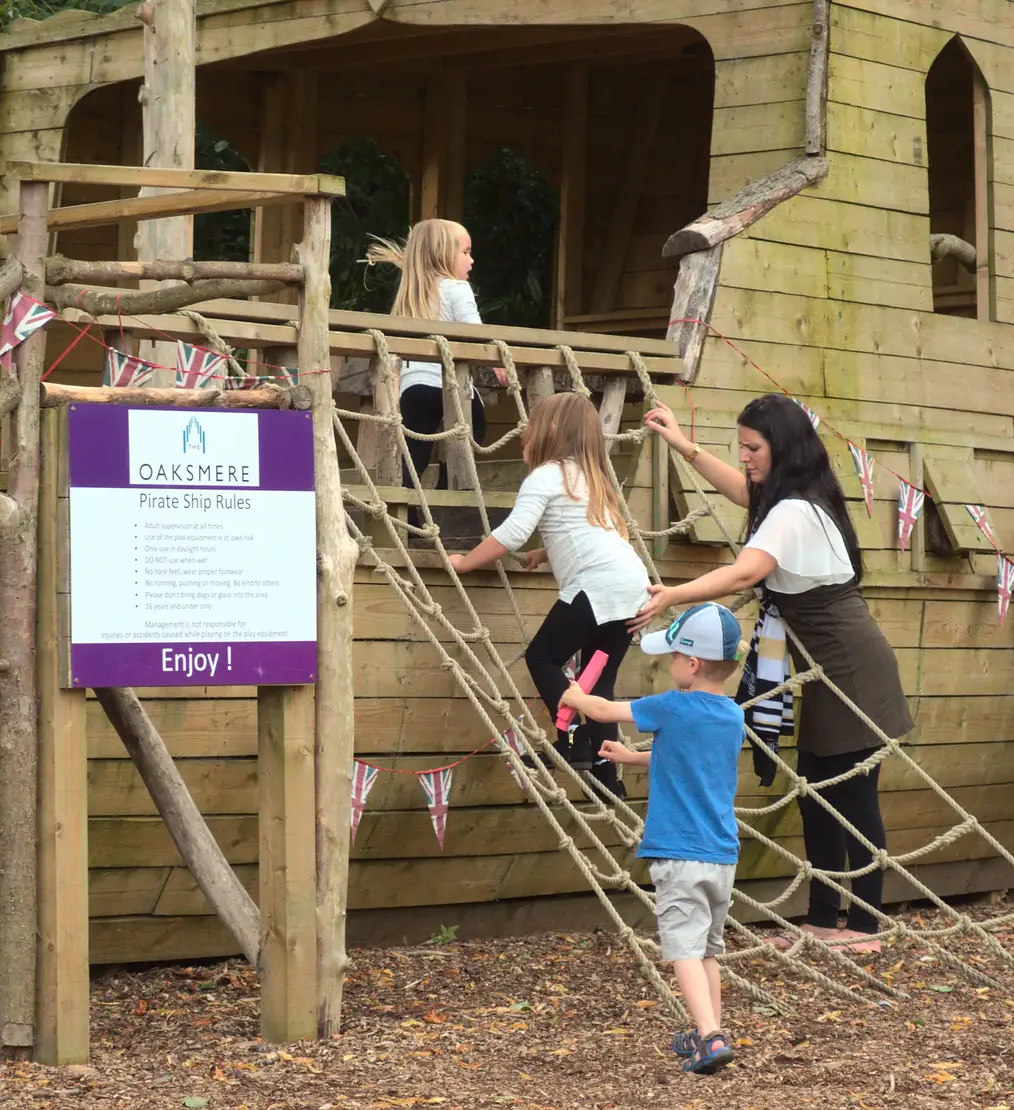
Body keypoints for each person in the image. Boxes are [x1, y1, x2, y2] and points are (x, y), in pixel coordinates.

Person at [635, 392, 913, 952]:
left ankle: (863, 928)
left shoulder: (794, 512)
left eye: (753, 447)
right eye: (740, 447)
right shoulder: (791, 501)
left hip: (852, 669)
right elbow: (741, 491)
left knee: (852, 796)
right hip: (825, 670)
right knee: (815, 791)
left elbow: (745, 574)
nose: (744, 458)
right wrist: (684, 445)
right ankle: (820, 918)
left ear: (781, 448)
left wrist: (674, 595)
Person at [560, 601, 747, 1075]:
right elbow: (689, 759)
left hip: (680, 853)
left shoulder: (673, 705)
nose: (668, 666)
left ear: (692, 662)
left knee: (682, 947)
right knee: (706, 949)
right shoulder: (730, 715)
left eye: (672, 658)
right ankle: (711, 1028)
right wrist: (632, 758)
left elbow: (603, 707)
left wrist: (573, 696)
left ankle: (709, 1037)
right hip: (721, 856)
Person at [445, 391, 650, 787]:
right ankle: (608, 773)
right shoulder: (593, 477)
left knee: (543, 657)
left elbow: (512, 534)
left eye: (532, 425)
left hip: (598, 583)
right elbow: (588, 534)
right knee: (599, 679)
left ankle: (571, 741)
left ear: (552, 430)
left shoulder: (547, 475)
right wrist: (548, 552)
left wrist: (466, 561)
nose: (526, 433)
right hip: (631, 584)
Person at [365, 219, 497, 487]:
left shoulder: (411, 294)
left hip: (413, 389)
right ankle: (449, 491)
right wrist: (496, 360)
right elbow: (476, 331)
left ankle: (409, 520)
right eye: (465, 252)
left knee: (413, 459)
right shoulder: (456, 288)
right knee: (471, 435)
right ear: (443, 254)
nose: (471, 260)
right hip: (451, 389)